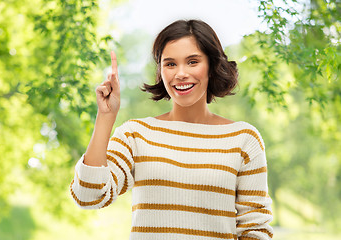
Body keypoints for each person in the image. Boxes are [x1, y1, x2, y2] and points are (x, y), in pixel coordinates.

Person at [70, 19, 274, 240]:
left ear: (212, 66)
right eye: (170, 64)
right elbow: (88, 195)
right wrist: (106, 116)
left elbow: (255, 230)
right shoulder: (136, 135)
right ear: (160, 71)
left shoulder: (244, 139)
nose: (181, 73)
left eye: (192, 62)